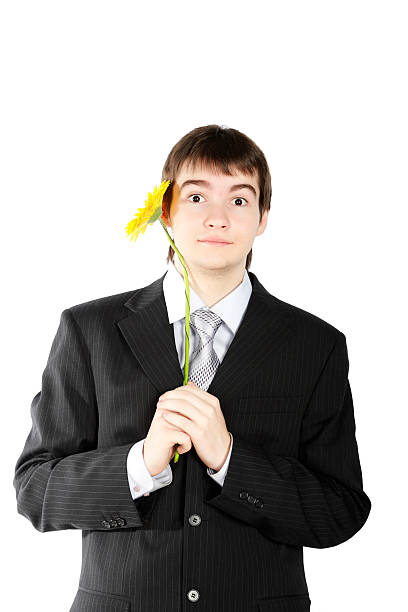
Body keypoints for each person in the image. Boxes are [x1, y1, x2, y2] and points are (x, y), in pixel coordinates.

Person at [13, 124, 371, 612]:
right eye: (197, 198)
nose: (218, 219)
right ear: (166, 210)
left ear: (263, 217)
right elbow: (35, 489)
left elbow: (340, 510)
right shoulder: (88, 330)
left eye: (240, 201)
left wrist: (229, 457)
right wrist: (140, 463)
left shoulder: (315, 345)